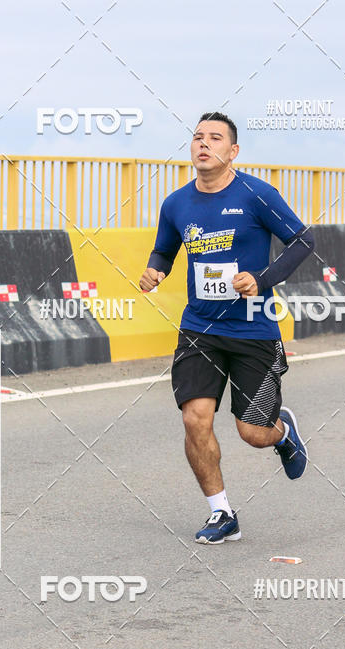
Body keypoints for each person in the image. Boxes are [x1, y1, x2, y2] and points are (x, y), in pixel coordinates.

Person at [139, 112, 314, 543]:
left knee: (253, 432)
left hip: (254, 328)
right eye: (197, 137)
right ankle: (222, 513)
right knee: (195, 418)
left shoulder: (257, 194)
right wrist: (154, 271)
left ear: (232, 151)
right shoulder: (176, 203)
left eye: (214, 137)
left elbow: (303, 241)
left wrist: (262, 280)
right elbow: (164, 250)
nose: (203, 143)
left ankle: (282, 432)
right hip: (199, 328)